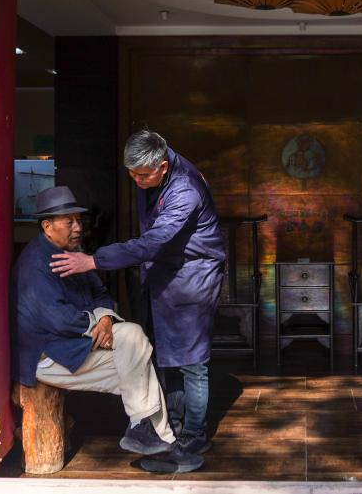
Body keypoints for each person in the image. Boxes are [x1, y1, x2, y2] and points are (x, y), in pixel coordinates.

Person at [51, 130, 225, 474]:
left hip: (194, 276)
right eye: (131, 174)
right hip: (167, 272)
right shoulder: (151, 174)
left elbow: (153, 242)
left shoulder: (185, 190)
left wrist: (94, 260)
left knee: (192, 361)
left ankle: (193, 437)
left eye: (142, 176)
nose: (136, 181)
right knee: (168, 355)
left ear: (163, 166)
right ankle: (172, 428)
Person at [12, 185, 200, 470]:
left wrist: (105, 318)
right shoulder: (35, 265)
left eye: (79, 220)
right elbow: (59, 320)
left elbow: (101, 293)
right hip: (48, 358)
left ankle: (154, 439)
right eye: (69, 222)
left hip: (74, 347)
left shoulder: (72, 253)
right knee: (135, 346)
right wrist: (97, 323)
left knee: (138, 364)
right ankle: (157, 440)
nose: (78, 228)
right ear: (47, 227)